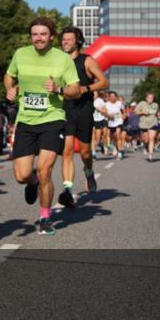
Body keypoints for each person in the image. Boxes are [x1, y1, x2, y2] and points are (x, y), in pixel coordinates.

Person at [4, 17, 81, 236]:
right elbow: (9, 77)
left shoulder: (62, 59)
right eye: (35, 34)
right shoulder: (20, 54)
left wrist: (58, 89)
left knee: (45, 170)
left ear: (51, 37)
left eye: (43, 34)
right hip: (26, 120)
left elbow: (75, 89)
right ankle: (32, 181)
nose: (38, 38)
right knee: (22, 175)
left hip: (52, 119)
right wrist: (11, 90)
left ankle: (45, 217)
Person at [58, 26, 107, 205]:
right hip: (65, 109)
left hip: (84, 110)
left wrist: (85, 88)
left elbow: (103, 81)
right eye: (63, 39)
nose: (65, 42)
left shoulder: (87, 60)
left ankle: (88, 171)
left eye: (68, 39)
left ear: (78, 41)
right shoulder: (59, 61)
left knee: (85, 152)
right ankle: (68, 191)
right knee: (67, 150)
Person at [136, 93, 160, 161]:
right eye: (149, 98)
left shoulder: (155, 105)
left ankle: (150, 155)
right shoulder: (141, 103)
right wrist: (142, 113)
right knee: (146, 140)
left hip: (153, 123)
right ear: (146, 98)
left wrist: (147, 112)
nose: (150, 99)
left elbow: (153, 111)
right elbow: (136, 112)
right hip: (143, 124)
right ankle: (145, 146)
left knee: (151, 138)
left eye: (152, 98)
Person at [105, 91, 125, 158]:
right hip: (111, 123)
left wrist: (124, 115)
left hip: (119, 121)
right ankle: (116, 147)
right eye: (111, 96)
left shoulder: (119, 103)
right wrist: (108, 115)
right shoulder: (106, 104)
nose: (113, 98)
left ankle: (119, 152)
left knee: (118, 135)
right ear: (109, 97)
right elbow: (104, 113)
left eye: (114, 96)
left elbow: (123, 110)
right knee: (114, 137)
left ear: (116, 97)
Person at [92, 90, 109, 155]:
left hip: (102, 119)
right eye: (93, 94)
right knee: (95, 138)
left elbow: (105, 111)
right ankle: (97, 149)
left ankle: (105, 148)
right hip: (94, 120)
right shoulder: (89, 101)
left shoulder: (100, 101)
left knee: (104, 135)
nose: (94, 95)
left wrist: (99, 109)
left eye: (95, 94)